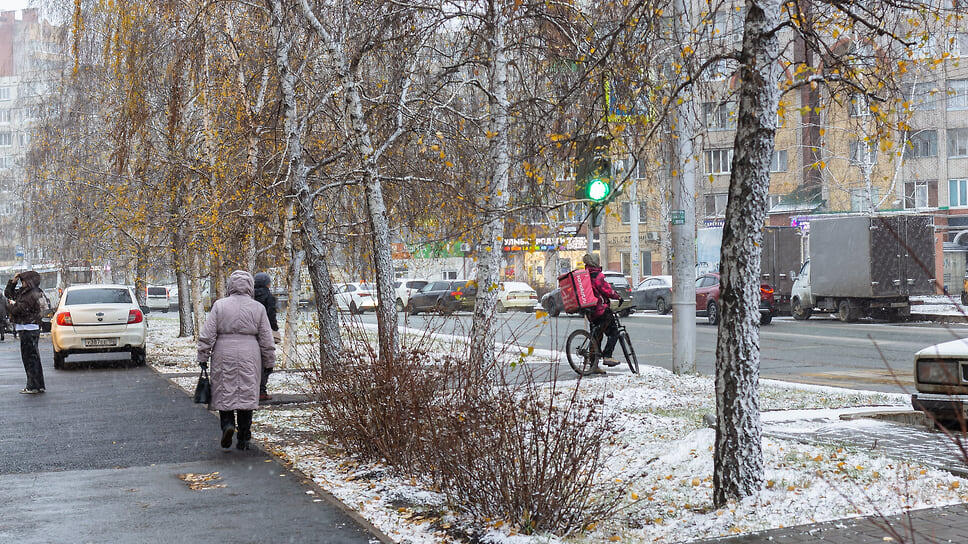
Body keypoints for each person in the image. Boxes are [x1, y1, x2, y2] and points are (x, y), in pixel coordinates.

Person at [196, 270, 276, 450]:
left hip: (224, 352)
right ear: (250, 286)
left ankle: (227, 425)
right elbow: (266, 338)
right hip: (250, 353)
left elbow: (207, 334)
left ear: (230, 285)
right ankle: (244, 437)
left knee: (225, 390)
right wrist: (269, 361)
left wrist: (203, 355)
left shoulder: (220, 306)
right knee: (246, 393)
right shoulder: (258, 308)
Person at [5, 271, 48, 393]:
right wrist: (13, 282)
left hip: (28, 328)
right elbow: (8, 293)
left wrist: (10, 306)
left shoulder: (31, 294)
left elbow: (19, 309)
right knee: (33, 358)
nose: (21, 282)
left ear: (29, 281)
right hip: (29, 327)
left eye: (23, 280)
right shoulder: (30, 292)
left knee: (29, 358)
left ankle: (32, 386)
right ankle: (38, 385)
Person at [583, 253, 622, 375]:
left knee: (596, 337)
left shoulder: (584, 275)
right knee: (614, 332)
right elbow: (607, 290)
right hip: (600, 310)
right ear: (595, 262)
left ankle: (593, 365)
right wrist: (618, 297)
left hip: (590, 311)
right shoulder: (597, 275)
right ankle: (607, 356)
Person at [253, 272, 281, 402]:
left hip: (251, 334)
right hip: (265, 332)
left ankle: (252, 390)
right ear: (267, 283)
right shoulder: (269, 297)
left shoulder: (249, 296)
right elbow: (271, 315)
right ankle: (261, 391)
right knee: (267, 361)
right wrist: (275, 329)